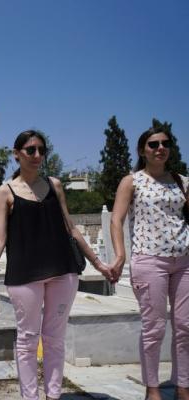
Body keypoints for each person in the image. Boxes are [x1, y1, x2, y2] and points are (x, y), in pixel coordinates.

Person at [0, 130, 112, 400]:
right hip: (24, 275)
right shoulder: (5, 192)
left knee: (54, 339)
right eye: (31, 150)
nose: (37, 155)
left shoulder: (55, 185)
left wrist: (98, 263)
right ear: (16, 154)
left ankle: (53, 395)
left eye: (42, 150)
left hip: (63, 271)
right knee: (27, 341)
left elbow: (71, 228)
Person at [110, 128, 189, 400]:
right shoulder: (132, 181)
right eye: (153, 144)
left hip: (184, 262)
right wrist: (120, 255)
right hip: (149, 260)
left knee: (185, 327)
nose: (160, 148)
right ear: (142, 150)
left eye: (165, 143)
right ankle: (152, 388)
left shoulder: (182, 181)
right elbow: (116, 220)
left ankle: (183, 386)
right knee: (154, 328)